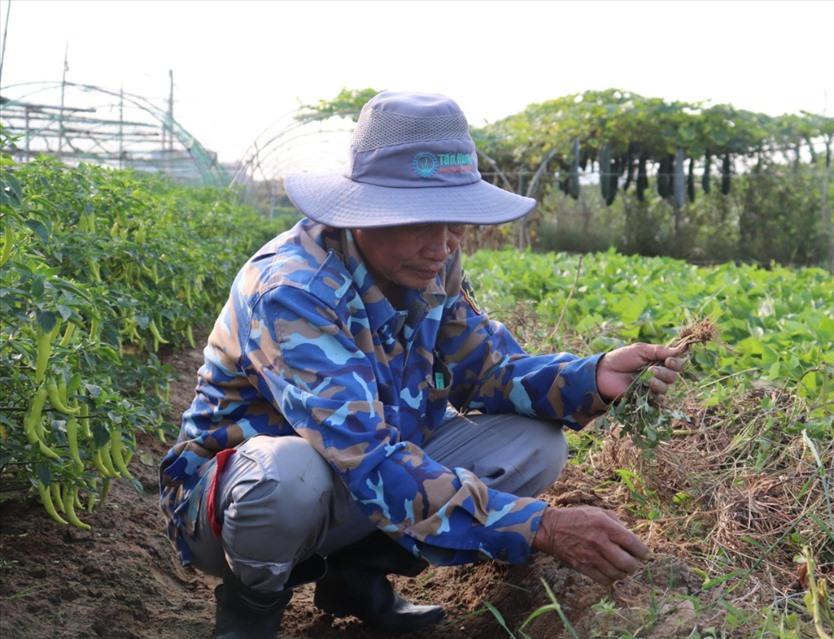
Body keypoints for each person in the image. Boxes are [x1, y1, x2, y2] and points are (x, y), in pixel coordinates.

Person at [159, 91, 685, 639]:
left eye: (455, 223)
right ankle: (252, 605)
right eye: (422, 223)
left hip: (358, 478)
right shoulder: (293, 293)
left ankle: (355, 575)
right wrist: (541, 526)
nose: (442, 245)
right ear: (362, 213)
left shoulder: (430, 265)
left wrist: (591, 377)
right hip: (231, 508)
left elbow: (490, 370)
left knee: (534, 446)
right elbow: (367, 460)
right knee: (286, 478)